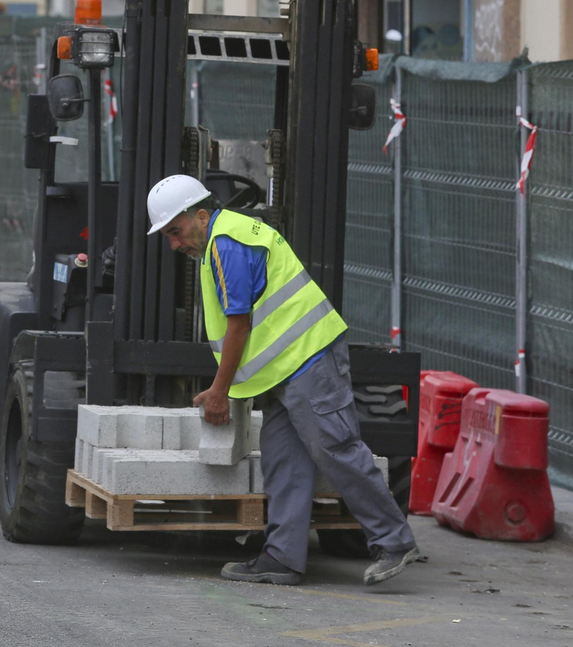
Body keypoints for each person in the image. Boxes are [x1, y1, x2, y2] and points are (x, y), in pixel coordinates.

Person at [146, 174, 421, 587]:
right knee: (283, 457)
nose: (174, 243)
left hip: (308, 358)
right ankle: (282, 556)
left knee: (335, 447)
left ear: (201, 216)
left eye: (176, 231)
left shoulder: (226, 243)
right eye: (168, 235)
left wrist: (219, 392)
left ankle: (394, 540)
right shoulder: (226, 236)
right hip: (288, 367)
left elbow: (238, 325)